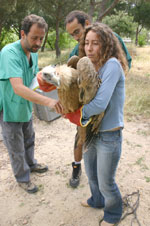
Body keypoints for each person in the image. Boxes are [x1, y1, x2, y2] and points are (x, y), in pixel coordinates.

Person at [64, 22, 128, 226]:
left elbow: (99, 103)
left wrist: (74, 114)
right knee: (91, 174)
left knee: (106, 181)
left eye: (96, 44)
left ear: (106, 44)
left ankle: (113, 213)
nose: (89, 48)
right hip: (91, 130)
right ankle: (96, 200)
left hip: (109, 133)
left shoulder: (112, 65)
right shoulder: (89, 66)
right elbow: (78, 95)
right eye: (87, 43)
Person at [0, 14, 62, 194]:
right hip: (10, 107)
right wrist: (49, 101)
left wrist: (50, 79)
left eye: (41, 38)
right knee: (15, 145)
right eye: (34, 37)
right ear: (23, 34)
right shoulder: (9, 53)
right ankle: (22, 177)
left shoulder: (33, 54)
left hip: (25, 105)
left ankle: (32, 164)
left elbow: (33, 79)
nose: (38, 42)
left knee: (29, 138)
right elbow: (18, 88)